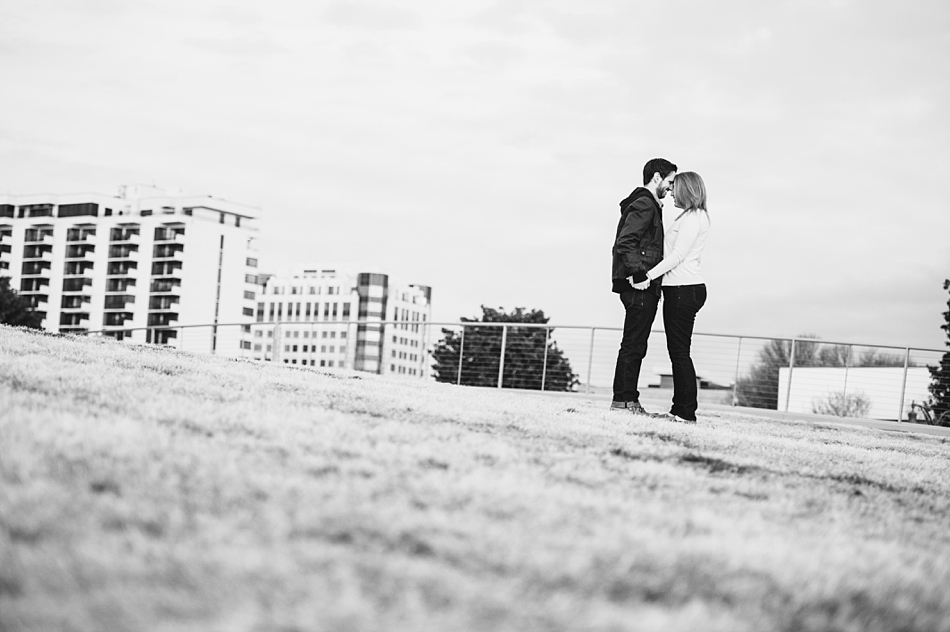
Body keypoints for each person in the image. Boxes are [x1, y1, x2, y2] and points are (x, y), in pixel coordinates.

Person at [631, 171, 710, 423]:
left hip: (683, 290)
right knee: (678, 351)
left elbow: (676, 256)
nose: (672, 191)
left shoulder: (693, 218)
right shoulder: (689, 216)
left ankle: (685, 412)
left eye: (675, 188)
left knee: (679, 352)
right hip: (681, 289)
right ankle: (680, 410)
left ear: (687, 189)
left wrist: (647, 276)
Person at [610, 158, 677, 414]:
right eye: (670, 181)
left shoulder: (647, 204)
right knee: (634, 344)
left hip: (637, 284)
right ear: (657, 177)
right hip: (638, 286)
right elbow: (625, 243)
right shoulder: (645, 204)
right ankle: (624, 402)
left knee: (636, 344)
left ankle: (628, 400)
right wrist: (640, 274)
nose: (671, 188)